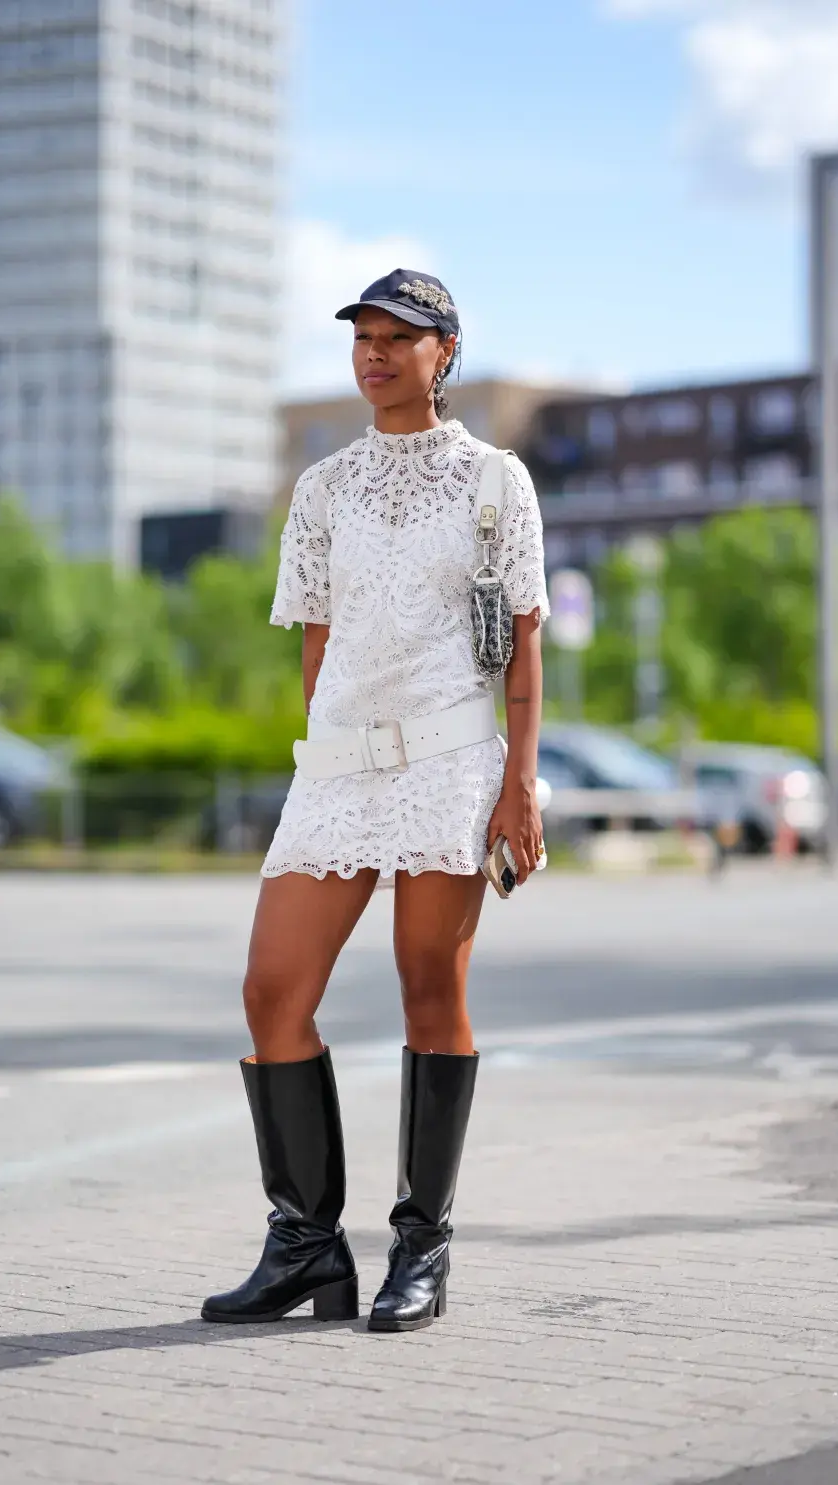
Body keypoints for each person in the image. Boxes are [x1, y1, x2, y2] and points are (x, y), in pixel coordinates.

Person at [201, 269, 548, 1333]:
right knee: (273, 991)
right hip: (341, 769)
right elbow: (315, 638)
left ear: (447, 353)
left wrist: (517, 789)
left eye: (402, 337)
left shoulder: (496, 483)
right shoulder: (325, 487)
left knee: (427, 991)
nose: (376, 353)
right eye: (364, 335)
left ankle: (422, 1251)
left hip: (451, 762)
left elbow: (522, 648)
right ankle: (306, 1246)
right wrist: (327, 753)